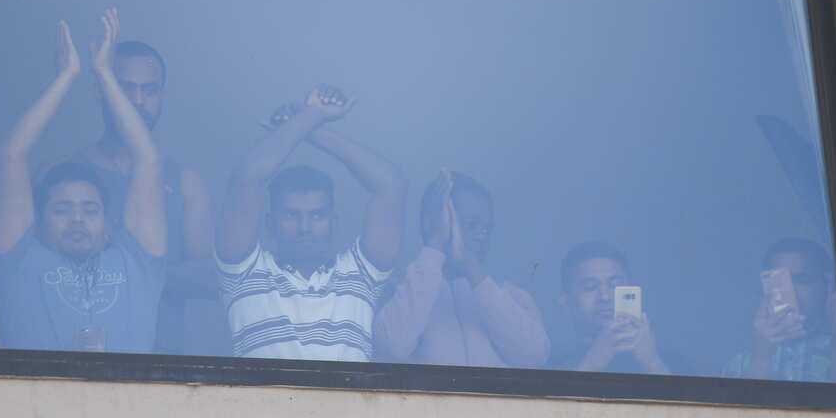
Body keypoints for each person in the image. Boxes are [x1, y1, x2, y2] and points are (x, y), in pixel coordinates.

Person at [0, 8, 169, 352]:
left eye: (90, 210)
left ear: (109, 224)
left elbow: (147, 159)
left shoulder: (137, 264)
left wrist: (105, 74)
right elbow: (12, 155)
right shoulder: (20, 263)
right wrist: (67, 76)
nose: (77, 219)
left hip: (133, 404)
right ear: (38, 223)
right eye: (61, 210)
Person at [58, 36, 225, 356]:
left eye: (149, 90)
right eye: (125, 89)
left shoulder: (184, 182)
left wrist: (118, 269)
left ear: (161, 95)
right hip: (78, 358)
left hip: (163, 359)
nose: (138, 101)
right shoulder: (64, 177)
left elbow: (208, 279)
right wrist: (161, 273)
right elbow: (48, 270)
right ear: (100, 91)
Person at [215, 85, 406, 361]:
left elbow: (391, 185)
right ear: (269, 223)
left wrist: (311, 127)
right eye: (292, 215)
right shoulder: (244, 275)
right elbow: (247, 178)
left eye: (317, 215)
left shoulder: (361, 277)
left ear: (333, 221)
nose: (305, 227)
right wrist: (311, 115)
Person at [373, 171, 549, 367]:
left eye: (487, 228)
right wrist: (434, 247)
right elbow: (392, 347)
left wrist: (473, 269)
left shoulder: (512, 297)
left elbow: (534, 357)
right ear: (431, 224)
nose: (482, 235)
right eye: (472, 224)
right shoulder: (398, 291)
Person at [723, 238, 836, 383]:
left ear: (827, 286)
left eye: (802, 280)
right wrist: (762, 357)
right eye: (779, 282)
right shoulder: (741, 363)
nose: (790, 291)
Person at [551, 242, 672, 375]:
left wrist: (652, 363)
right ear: (566, 303)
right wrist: (592, 364)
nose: (605, 296)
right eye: (590, 287)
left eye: (615, 285)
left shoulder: (671, 363)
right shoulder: (550, 368)